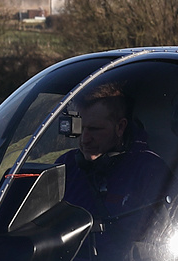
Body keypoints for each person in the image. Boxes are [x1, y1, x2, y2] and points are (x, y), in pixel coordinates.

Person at [60, 84, 169, 251]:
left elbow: (161, 246)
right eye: (80, 130)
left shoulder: (150, 172)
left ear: (120, 127)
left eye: (95, 129)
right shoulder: (66, 166)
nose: (85, 140)